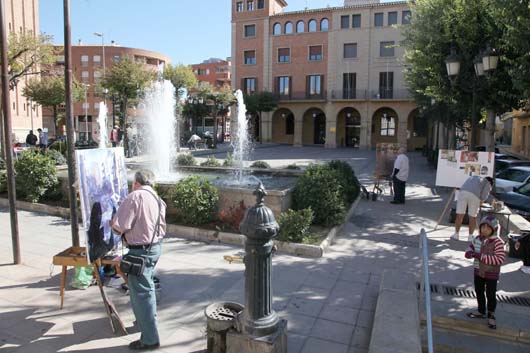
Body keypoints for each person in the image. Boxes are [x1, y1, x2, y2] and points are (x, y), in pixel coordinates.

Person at [110, 170, 166, 351]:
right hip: (154, 247)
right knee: (146, 288)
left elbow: (121, 226)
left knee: (142, 295)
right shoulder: (156, 197)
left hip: (140, 252)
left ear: (136, 182)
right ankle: (149, 328)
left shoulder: (134, 197)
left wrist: (112, 223)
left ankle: (150, 340)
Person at [464, 215, 505, 330]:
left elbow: (500, 259)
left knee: (491, 294)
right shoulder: (477, 239)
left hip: (492, 273)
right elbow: (471, 247)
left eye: (488, 228)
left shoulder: (497, 242)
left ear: (494, 229)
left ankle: (491, 314)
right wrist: (469, 252)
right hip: (478, 271)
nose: (484, 230)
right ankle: (481, 310)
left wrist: (481, 256)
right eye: (483, 227)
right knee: (479, 291)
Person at [451, 176, 493, 241]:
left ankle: (456, 234)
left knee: (460, 215)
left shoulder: (474, 177)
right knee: (472, 217)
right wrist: (482, 200)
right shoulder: (488, 182)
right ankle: (470, 237)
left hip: (463, 192)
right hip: (474, 196)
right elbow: (485, 194)